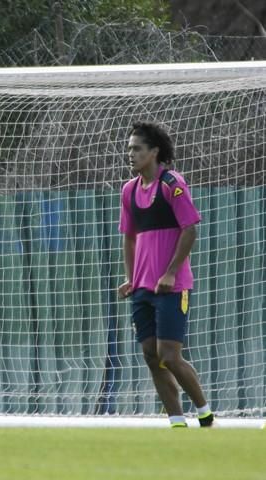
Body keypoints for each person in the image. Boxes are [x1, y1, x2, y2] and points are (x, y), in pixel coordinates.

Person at [117, 121, 214, 428]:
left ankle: (206, 414)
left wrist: (171, 272)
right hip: (142, 288)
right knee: (150, 355)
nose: (130, 154)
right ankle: (176, 421)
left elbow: (190, 230)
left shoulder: (172, 184)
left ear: (154, 152)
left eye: (137, 148)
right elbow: (129, 237)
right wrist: (131, 277)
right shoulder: (129, 190)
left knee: (169, 355)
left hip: (173, 286)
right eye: (129, 148)